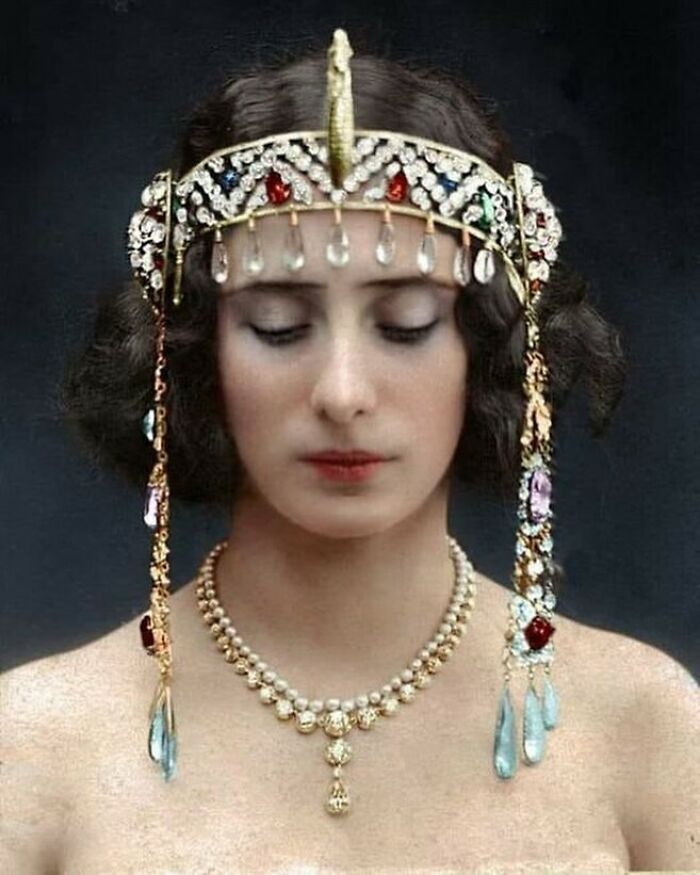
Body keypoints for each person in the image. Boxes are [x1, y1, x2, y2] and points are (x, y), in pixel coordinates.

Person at [2, 29, 698, 874]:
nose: (341, 390)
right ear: (193, 353)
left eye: (404, 325)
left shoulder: (644, 726)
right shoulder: (36, 748)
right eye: (278, 326)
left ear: (487, 349)